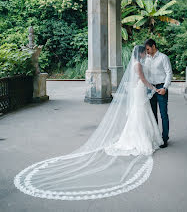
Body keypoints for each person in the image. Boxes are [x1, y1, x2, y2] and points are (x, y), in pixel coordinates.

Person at [14, 46, 163, 201]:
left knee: (139, 113)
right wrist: (154, 88)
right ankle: (139, 138)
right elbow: (143, 80)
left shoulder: (136, 64)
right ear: (140, 53)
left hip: (138, 90)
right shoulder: (137, 65)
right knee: (139, 113)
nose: (146, 53)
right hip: (140, 89)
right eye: (144, 52)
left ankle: (140, 135)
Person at [144, 39, 173, 148]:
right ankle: (156, 137)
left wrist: (165, 87)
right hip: (150, 89)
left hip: (161, 88)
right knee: (152, 115)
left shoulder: (163, 57)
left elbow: (169, 73)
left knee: (163, 114)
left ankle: (165, 138)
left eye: (148, 49)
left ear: (154, 46)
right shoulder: (145, 58)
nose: (147, 51)